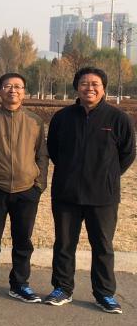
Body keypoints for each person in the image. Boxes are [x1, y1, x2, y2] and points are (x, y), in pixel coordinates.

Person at [45, 67, 135, 312]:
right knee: (64, 243)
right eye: (84, 83)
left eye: (95, 84)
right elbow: (53, 150)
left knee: (103, 246)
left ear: (103, 88)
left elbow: (127, 154)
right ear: (77, 87)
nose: (90, 88)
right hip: (66, 193)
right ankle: (62, 288)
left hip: (103, 196)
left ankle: (104, 293)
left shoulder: (118, 118)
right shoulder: (63, 117)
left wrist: (106, 176)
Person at [0, 72, 48, 302]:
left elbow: (41, 155)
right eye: (7, 86)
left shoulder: (34, 121)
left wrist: (39, 184)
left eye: (18, 86)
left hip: (27, 189)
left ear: (24, 92)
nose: (13, 90)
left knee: (23, 240)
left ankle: (20, 284)